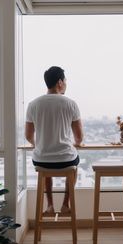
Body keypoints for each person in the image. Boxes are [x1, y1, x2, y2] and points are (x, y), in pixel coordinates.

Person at [25, 66, 84, 214]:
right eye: (65, 81)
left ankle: (50, 205)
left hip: (41, 160)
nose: (66, 84)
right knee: (74, 165)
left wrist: (37, 144)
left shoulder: (33, 105)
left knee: (46, 165)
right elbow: (79, 137)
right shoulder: (71, 104)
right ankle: (65, 204)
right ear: (59, 82)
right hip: (66, 160)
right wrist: (76, 144)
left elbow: (28, 135)